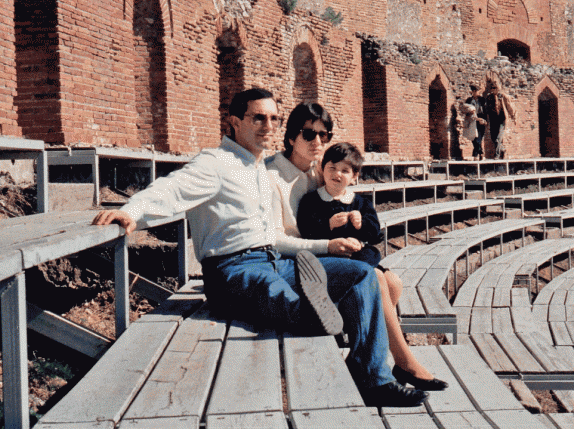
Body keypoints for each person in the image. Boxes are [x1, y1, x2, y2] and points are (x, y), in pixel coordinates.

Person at [92, 88, 427, 407]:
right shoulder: (216, 163)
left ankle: (373, 377)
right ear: (235, 122)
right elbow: (172, 189)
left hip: (273, 261)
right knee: (291, 302)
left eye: (273, 119)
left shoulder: (258, 168)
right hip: (232, 268)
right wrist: (132, 210)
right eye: (258, 118)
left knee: (361, 275)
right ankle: (318, 314)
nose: (268, 126)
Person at [269, 104, 448, 391]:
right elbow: (273, 240)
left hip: (327, 256)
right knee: (375, 278)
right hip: (295, 263)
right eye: (308, 134)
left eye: (323, 136)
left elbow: (363, 215)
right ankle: (404, 363)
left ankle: (362, 351)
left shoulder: (320, 171)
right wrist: (327, 242)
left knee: (391, 281)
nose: (317, 142)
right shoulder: (270, 176)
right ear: (290, 137)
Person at [296, 142, 382, 268]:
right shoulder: (311, 201)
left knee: (394, 282)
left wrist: (361, 224)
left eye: (345, 171)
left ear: (354, 176)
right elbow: (306, 230)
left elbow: (375, 232)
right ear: (323, 168)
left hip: (358, 255)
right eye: (332, 168)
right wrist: (328, 225)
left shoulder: (360, 202)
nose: (337, 174)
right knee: (374, 276)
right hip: (326, 257)